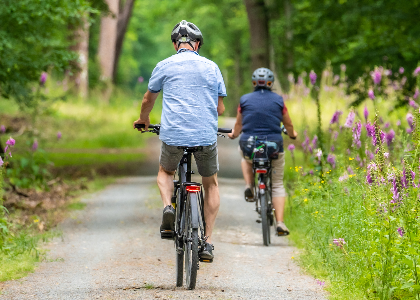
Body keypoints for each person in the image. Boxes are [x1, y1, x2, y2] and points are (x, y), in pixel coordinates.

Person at [133, 20, 227, 261]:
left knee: (165, 171)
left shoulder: (164, 65)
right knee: (211, 183)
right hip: (205, 135)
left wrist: (144, 120)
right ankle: (207, 242)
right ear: (197, 44)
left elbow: (147, 100)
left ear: (176, 44)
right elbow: (220, 107)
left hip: (173, 134)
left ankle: (168, 207)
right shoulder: (211, 67)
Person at [228, 68, 297, 236]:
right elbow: (288, 124)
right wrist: (293, 134)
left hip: (250, 145)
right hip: (273, 146)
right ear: (270, 83)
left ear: (253, 83)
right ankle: (280, 222)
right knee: (278, 184)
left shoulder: (244, 100)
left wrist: (234, 134)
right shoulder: (279, 100)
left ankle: (249, 185)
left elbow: (238, 125)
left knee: (244, 157)